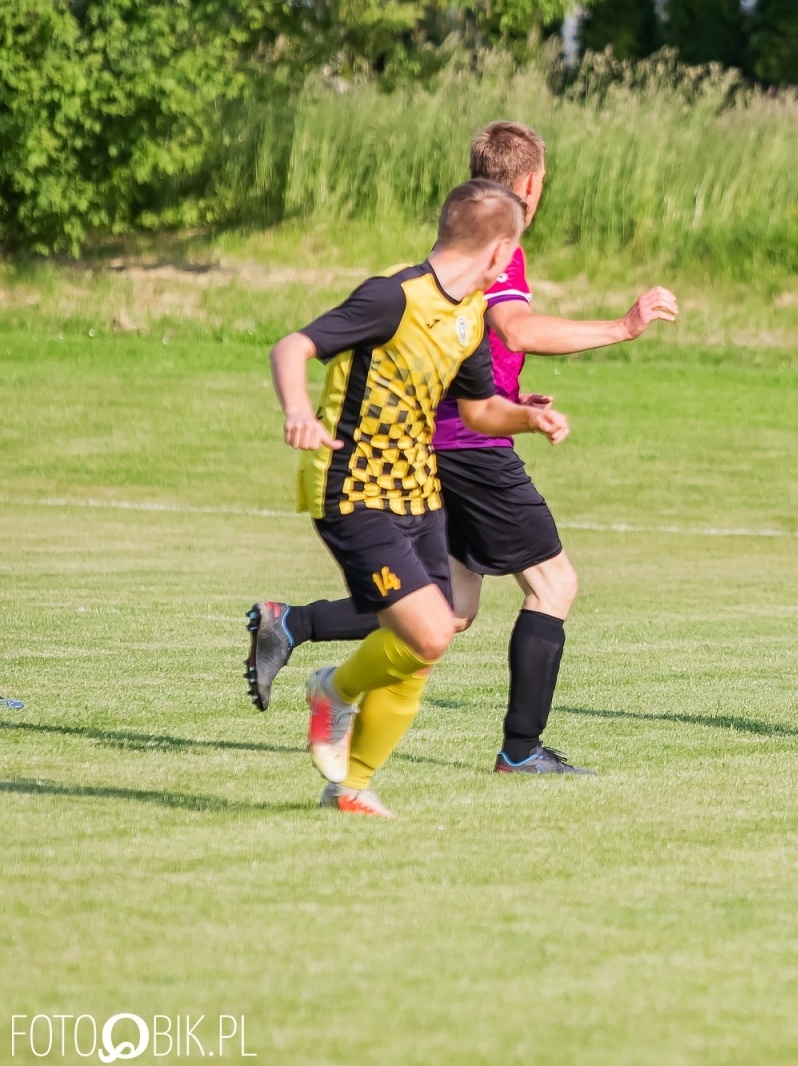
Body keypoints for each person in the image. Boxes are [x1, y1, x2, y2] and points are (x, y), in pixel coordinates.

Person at [246, 121, 678, 777]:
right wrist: (622, 327)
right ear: (532, 183)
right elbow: (515, 326)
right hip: (467, 446)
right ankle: (520, 750)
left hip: (451, 435)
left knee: (450, 610)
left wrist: (514, 404)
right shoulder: (500, 246)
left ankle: (292, 624)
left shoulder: (463, 236)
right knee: (554, 583)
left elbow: (471, 350)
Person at [272, 178, 567, 817]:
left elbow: (481, 409)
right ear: (499, 252)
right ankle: (332, 689)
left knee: (425, 645)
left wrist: (527, 418)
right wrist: (298, 409)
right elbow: (292, 346)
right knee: (429, 632)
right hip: (354, 488)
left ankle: (350, 787)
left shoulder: (468, 312)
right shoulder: (391, 297)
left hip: (420, 492)